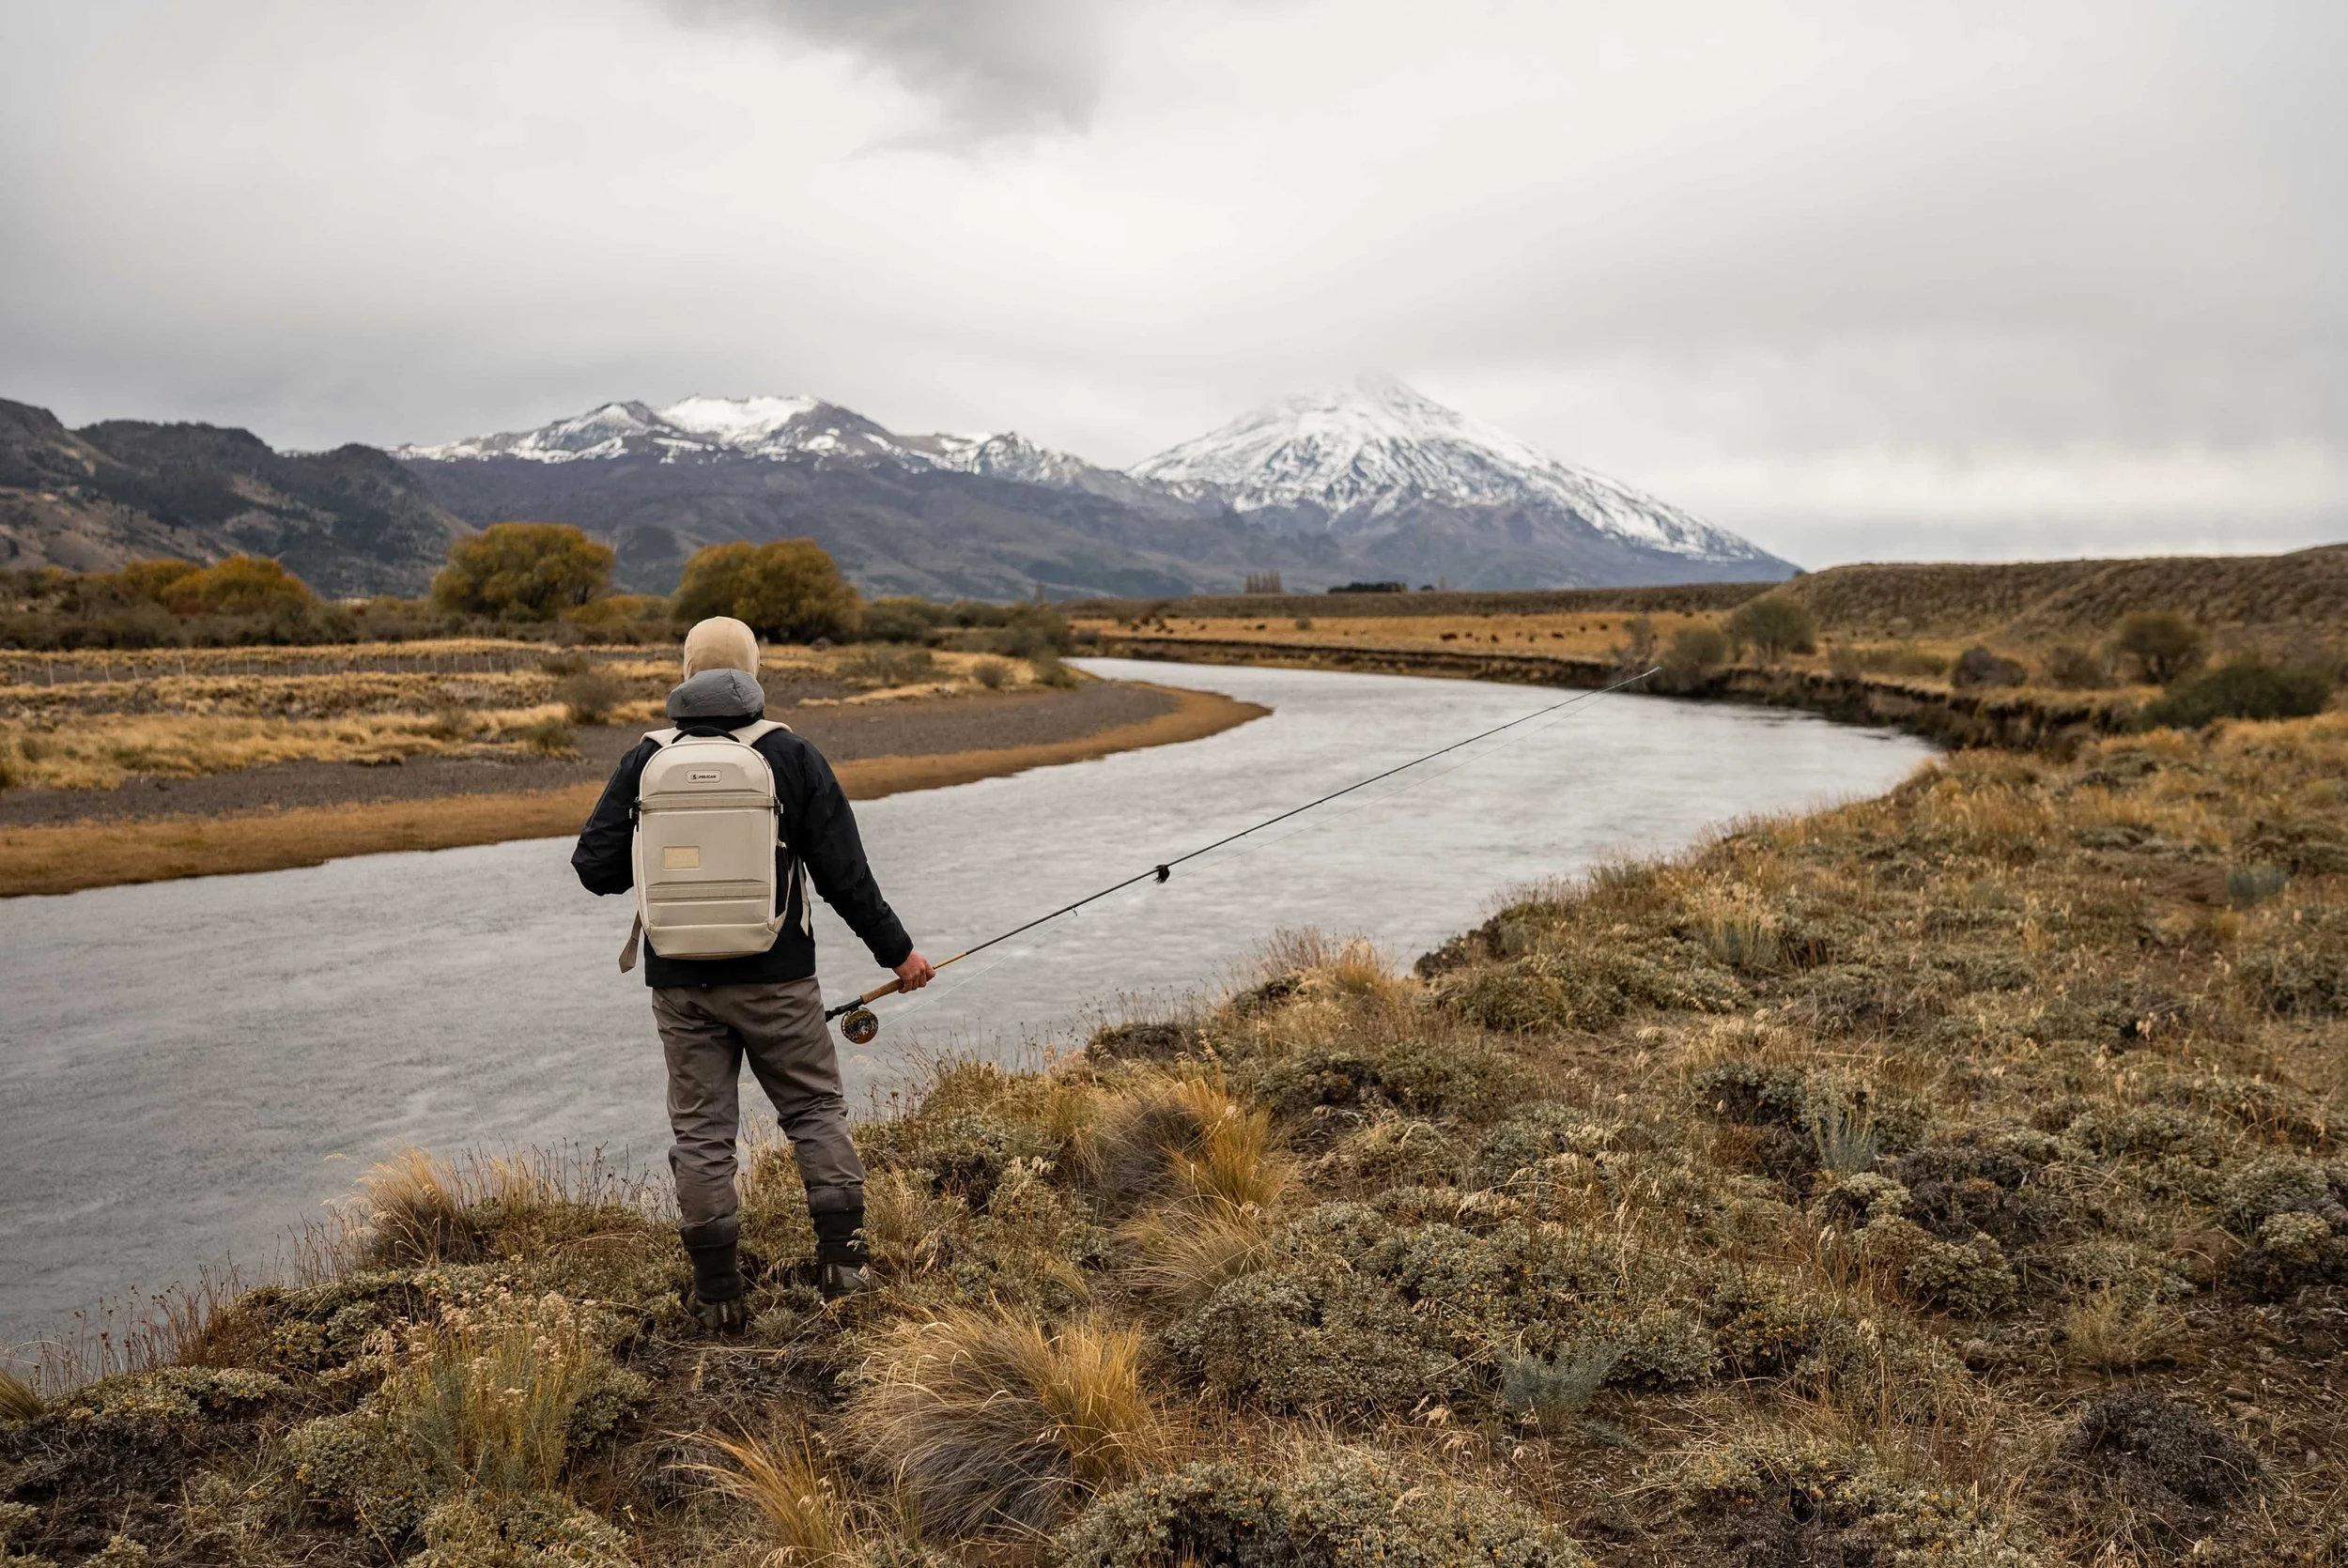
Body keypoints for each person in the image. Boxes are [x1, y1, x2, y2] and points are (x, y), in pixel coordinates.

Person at [571, 616, 934, 1327]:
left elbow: (594, 870)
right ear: (753, 670)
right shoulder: (789, 754)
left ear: (684, 671)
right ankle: (845, 1271)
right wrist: (900, 955)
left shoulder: (645, 758)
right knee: (813, 1113)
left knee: (703, 1137)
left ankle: (718, 1299)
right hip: (780, 979)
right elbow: (844, 875)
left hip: (679, 985)